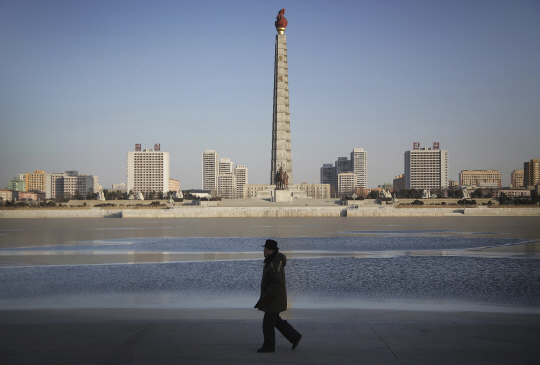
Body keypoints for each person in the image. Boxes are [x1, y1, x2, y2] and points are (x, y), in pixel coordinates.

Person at [254, 239, 302, 353]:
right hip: (273, 298)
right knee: (276, 321)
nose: (263, 251)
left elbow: (277, 283)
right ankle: (294, 336)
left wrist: (268, 296)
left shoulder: (275, 263)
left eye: (265, 249)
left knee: (268, 323)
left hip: (274, 299)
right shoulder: (271, 261)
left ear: (272, 250)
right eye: (264, 248)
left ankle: (269, 346)